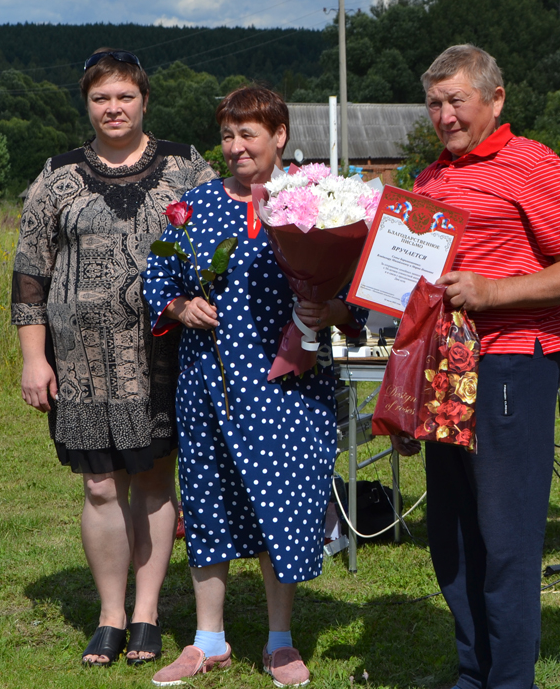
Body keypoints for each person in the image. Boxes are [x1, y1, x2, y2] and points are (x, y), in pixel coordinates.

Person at [142, 85, 367, 687]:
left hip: (288, 387)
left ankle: (281, 641)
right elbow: (156, 276)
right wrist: (179, 304)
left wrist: (334, 311)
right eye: (227, 136)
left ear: (280, 137)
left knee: (286, 506)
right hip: (210, 384)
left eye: (249, 135)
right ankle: (207, 639)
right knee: (209, 504)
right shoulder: (192, 206)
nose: (236, 148)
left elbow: (357, 293)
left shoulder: (317, 204)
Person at [392, 44, 560, 689]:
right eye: (435, 103)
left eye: (457, 100)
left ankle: (510, 680)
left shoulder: (532, 164)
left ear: (495, 99)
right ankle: (472, 671)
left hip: (509, 367)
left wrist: (491, 292)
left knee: (506, 539)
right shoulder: (427, 180)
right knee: (452, 535)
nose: (446, 115)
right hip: (441, 369)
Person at [12, 48, 217, 667]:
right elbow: (29, 273)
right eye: (102, 98)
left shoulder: (186, 168)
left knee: (154, 481)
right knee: (100, 486)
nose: (114, 108)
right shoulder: (58, 175)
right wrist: (33, 358)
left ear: (144, 100)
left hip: (163, 355)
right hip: (79, 363)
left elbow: (226, 236)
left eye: (125, 96)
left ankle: (149, 612)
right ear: (88, 104)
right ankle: (110, 615)